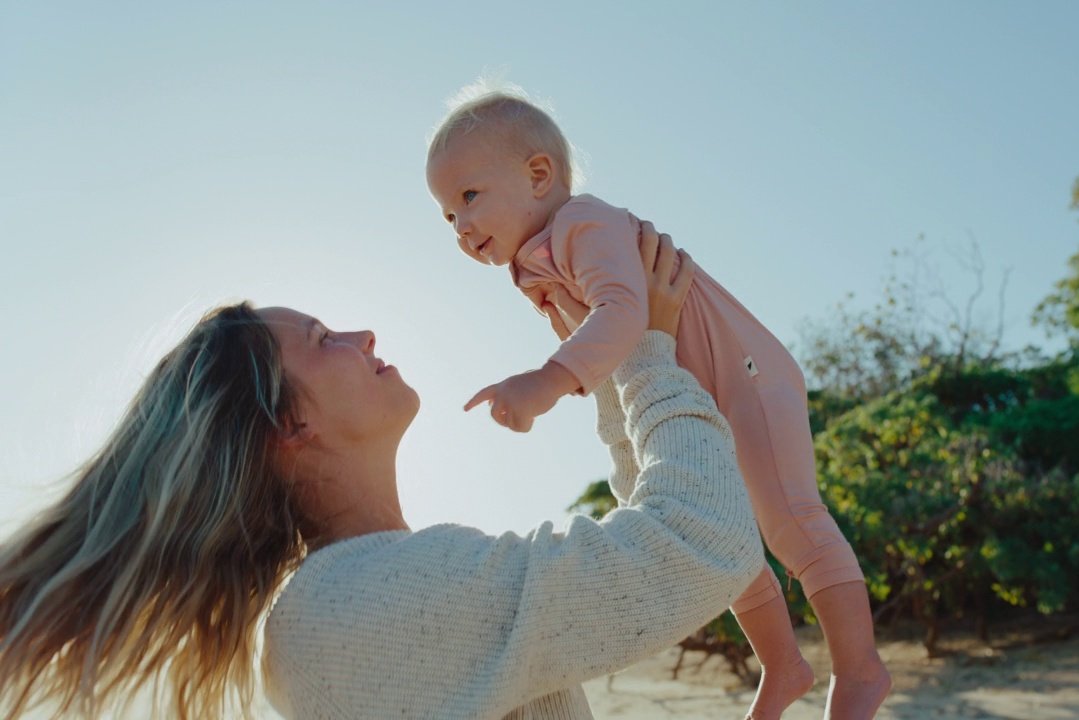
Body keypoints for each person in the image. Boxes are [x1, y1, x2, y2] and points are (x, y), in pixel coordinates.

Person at [0, 228, 763, 719]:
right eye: (324, 339)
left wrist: (604, 363)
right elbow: (700, 545)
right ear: (290, 426)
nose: (363, 333)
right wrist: (642, 354)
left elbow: (646, 550)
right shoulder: (372, 599)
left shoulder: (350, 596)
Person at [425, 84, 891, 720]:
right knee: (717, 529)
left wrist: (542, 383)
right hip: (689, 395)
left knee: (789, 518)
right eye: (448, 215)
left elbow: (624, 312)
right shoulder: (534, 266)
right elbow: (613, 361)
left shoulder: (582, 224)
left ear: (539, 175)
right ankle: (784, 664)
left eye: (469, 197)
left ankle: (861, 670)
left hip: (744, 375)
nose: (461, 226)